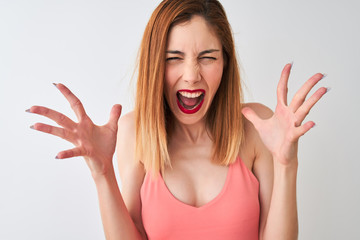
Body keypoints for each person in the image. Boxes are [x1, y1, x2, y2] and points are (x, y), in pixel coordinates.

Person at [27, 0, 327, 239]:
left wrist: (287, 164)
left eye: (208, 57)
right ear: (154, 63)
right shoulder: (134, 131)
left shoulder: (256, 124)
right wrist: (102, 173)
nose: (192, 75)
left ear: (225, 62)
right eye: (173, 58)